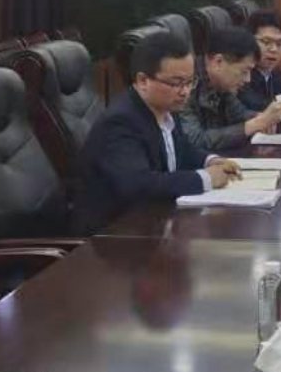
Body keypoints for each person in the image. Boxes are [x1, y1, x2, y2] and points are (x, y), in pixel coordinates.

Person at [73, 32, 242, 234]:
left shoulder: (166, 106)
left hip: (154, 222)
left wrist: (212, 161)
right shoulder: (121, 122)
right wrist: (205, 179)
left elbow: (181, 150)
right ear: (143, 80)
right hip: (115, 235)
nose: (184, 92)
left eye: (190, 82)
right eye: (176, 83)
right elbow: (138, 184)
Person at [179, 26, 281, 151]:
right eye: (244, 71)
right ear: (218, 62)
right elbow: (194, 142)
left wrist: (265, 117)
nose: (248, 79)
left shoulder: (222, 85)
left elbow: (239, 114)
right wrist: (256, 124)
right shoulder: (185, 86)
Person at [239, 10, 281, 112]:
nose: (274, 49)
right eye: (266, 42)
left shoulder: (272, 72)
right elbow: (256, 105)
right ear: (249, 41)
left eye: (279, 44)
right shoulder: (242, 74)